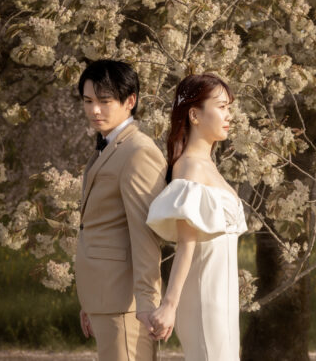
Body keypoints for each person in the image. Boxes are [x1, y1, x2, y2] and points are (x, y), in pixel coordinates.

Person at [145, 73, 247, 361]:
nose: (229, 115)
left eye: (229, 107)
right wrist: (169, 305)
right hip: (205, 298)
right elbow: (186, 245)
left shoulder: (207, 166)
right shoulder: (190, 168)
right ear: (194, 115)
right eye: (222, 107)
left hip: (222, 298)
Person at [74, 59, 167, 361]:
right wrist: (90, 301)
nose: (94, 110)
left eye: (104, 101)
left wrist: (146, 302)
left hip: (127, 303)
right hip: (104, 297)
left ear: (130, 101)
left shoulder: (138, 152)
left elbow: (146, 234)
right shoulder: (109, 145)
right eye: (88, 101)